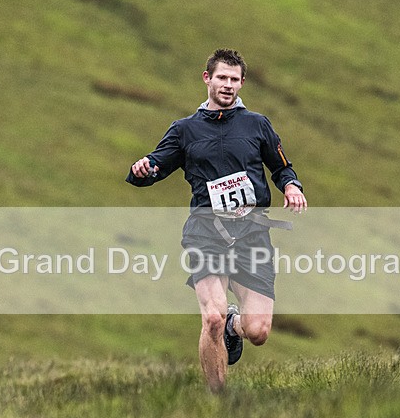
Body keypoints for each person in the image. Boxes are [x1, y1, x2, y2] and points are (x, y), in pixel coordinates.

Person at [127, 48, 307, 392]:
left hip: (252, 234)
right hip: (206, 232)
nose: (228, 85)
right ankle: (218, 399)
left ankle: (233, 326)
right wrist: (143, 170)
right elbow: (155, 166)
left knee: (258, 331)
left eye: (234, 79)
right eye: (221, 77)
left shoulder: (257, 124)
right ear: (207, 78)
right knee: (211, 316)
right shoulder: (184, 130)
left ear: (242, 83)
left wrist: (292, 187)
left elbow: (282, 166)